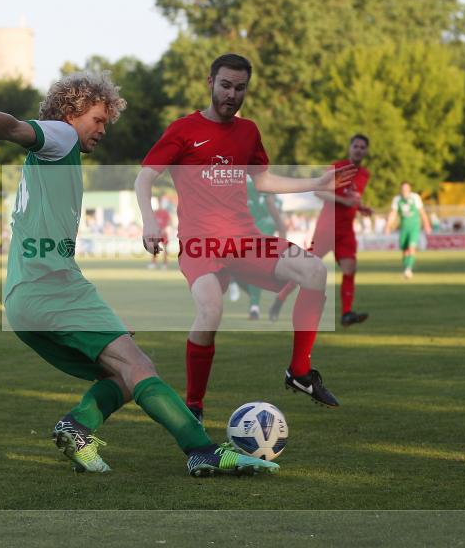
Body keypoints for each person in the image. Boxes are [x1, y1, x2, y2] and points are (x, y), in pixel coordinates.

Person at [0, 73, 277, 477]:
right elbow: (14, 127)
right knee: (139, 368)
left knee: (119, 376)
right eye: (99, 119)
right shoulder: (60, 137)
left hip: (21, 299)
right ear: (72, 111)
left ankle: (79, 427)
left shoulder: (53, 158)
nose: (103, 129)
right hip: (53, 288)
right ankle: (201, 450)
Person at [136, 53, 356, 421]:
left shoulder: (248, 131)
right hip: (200, 244)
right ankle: (194, 406)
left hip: (244, 240)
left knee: (315, 271)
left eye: (240, 88)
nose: (232, 94)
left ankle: (300, 372)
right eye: (225, 85)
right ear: (210, 83)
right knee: (211, 309)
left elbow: (265, 180)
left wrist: (316, 182)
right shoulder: (183, 130)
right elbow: (144, 177)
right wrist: (148, 221)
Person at [270, 135, 372, 327]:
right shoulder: (338, 167)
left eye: (362, 147)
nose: (358, 149)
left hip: (346, 231)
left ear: (366, 151)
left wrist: (360, 208)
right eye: (356, 146)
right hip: (327, 227)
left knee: (350, 268)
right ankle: (280, 299)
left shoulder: (365, 174)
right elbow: (319, 192)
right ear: (350, 148)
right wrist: (345, 202)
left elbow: (352, 199)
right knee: (307, 268)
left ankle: (346, 313)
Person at [239, 175, 286, 319]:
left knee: (253, 269)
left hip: (262, 231)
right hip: (243, 232)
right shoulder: (237, 180)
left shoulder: (260, 182)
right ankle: (257, 293)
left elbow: (273, 210)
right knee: (239, 272)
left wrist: (282, 232)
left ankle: (254, 306)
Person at [384, 182, 432, 279]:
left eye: (407, 188)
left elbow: (422, 212)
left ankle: (409, 269)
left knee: (411, 247)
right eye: (403, 188)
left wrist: (426, 224)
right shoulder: (397, 199)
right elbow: (393, 213)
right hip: (404, 227)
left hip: (414, 226)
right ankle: (406, 268)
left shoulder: (415, 197)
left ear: (410, 189)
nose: (405, 190)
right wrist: (388, 226)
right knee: (405, 249)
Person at [149, 198, 171, 270]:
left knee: (165, 249)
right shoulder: (155, 212)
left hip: (163, 233)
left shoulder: (165, 213)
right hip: (156, 233)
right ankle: (153, 263)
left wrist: (165, 229)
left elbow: (169, 222)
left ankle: (165, 264)